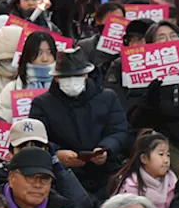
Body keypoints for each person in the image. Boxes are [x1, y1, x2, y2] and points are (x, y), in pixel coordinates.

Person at [29, 48, 131, 199]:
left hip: (106, 171)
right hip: (64, 174)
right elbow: (37, 138)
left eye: (76, 76)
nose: (71, 80)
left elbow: (120, 130)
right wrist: (56, 154)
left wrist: (107, 148)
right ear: (56, 78)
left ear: (85, 75)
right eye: (66, 77)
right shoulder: (42, 103)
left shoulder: (107, 97)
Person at [109, 131, 178, 208]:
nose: (166, 160)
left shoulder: (172, 181)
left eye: (167, 155)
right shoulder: (131, 186)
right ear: (144, 158)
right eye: (161, 154)